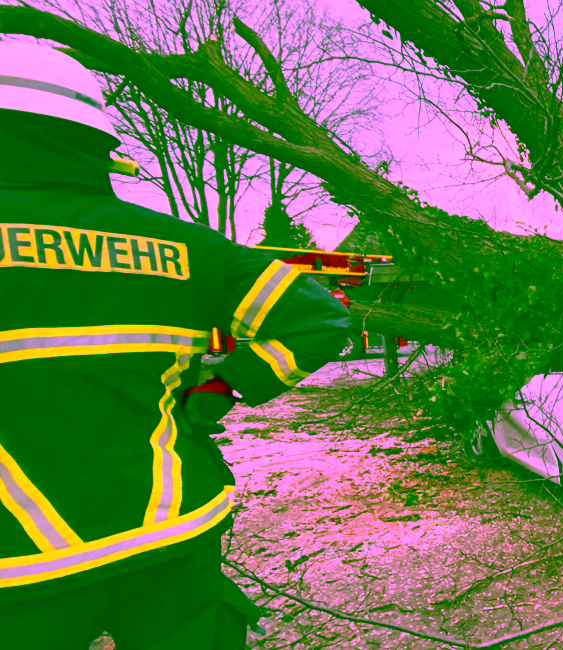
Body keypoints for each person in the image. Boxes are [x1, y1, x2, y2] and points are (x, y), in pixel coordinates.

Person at [0, 40, 352, 648]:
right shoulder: (188, 247)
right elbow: (319, 317)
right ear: (97, 141)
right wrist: (226, 383)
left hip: (22, 564)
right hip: (173, 529)